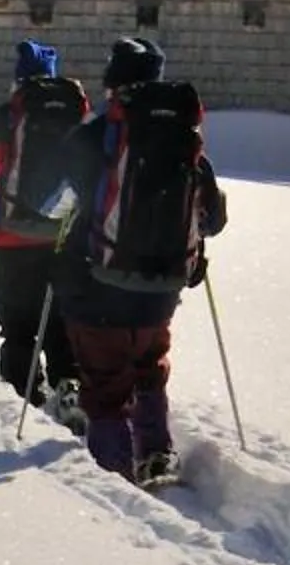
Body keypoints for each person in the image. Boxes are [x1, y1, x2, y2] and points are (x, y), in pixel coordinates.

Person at [52, 37, 228, 487]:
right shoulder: (186, 141)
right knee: (149, 369)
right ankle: (156, 452)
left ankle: (115, 477)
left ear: (113, 81)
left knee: (106, 383)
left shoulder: (94, 135)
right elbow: (215, 219)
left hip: (97, 284)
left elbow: (56, 199)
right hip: (163, 286)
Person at [0, 40, 89, 415]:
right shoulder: (80, 117)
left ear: (19, 80)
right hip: (66, 237)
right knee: (59, 323)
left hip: (11, 237)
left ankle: (26, 400)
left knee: (18, 329)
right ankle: (68, 385)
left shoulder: (10, 117)